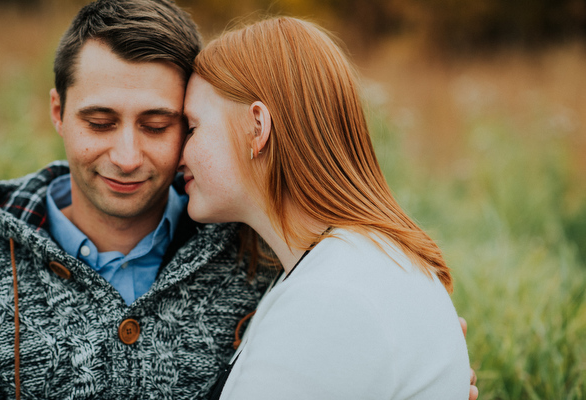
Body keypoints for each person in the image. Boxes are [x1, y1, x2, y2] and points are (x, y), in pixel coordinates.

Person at [0, 1, 274, 399]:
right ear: (58, 111)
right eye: (100, 123)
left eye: (156, 127)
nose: (126, 158)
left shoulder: (260, 253)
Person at [178, 17, 471, 399]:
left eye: (193, 128)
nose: (179, 154)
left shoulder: (333, 299)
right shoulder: (348, 267)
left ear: (257, 127)